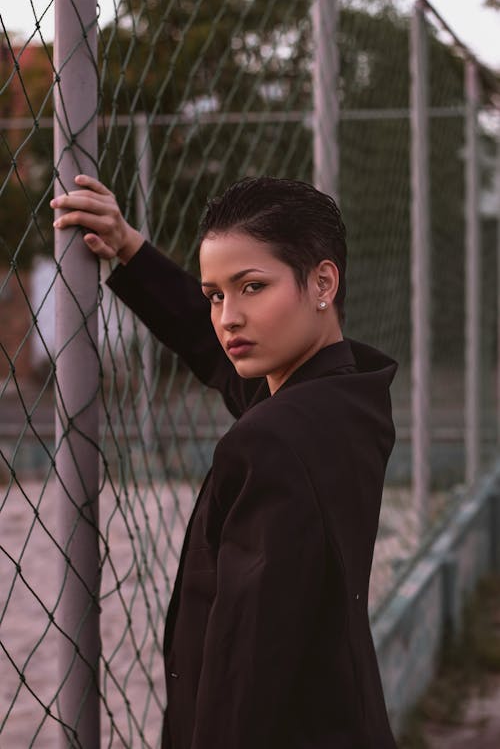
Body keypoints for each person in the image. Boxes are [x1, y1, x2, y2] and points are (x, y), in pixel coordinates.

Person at [51, 174, 398, 749]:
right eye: (216, 294)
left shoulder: (274, 441)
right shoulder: (346, 398)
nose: (227, 317)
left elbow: (244, 674)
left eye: (253, 287)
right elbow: (214, 352)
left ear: (322, 282)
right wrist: (130, 250)